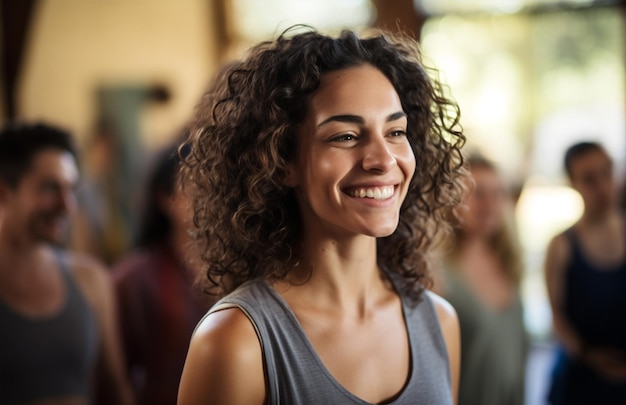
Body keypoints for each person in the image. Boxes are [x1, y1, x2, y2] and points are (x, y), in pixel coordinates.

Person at [178, 27, 466, 405]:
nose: (383, 160)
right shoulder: (235, 342)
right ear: (281, 162)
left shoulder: (439, 324)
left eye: (395, 131)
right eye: (345, 136)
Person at [0, 122, 134, 404]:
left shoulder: (91, 280)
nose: (67, 205)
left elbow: (116, 387)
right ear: (4, 192)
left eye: (71, 188)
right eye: (50, 188)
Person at [113, 140, 212, 405]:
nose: (207, 198)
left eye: (213, 186)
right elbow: (114, 375)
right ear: (166, 198)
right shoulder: (135, 278)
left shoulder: (244, 269)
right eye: (195, 187)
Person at [434, 155, 528, 405]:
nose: (490, 205)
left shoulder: (510, 260)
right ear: (451, 198)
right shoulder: (437, 271)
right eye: (478, 194)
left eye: (498, 193)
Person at [544, 141, 626, 404]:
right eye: (590, 179)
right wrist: (589, 357)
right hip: (581, 383)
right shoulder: (561, 246)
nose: (603, 187)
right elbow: (556, 319)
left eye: (607, 172)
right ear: (572, 183)